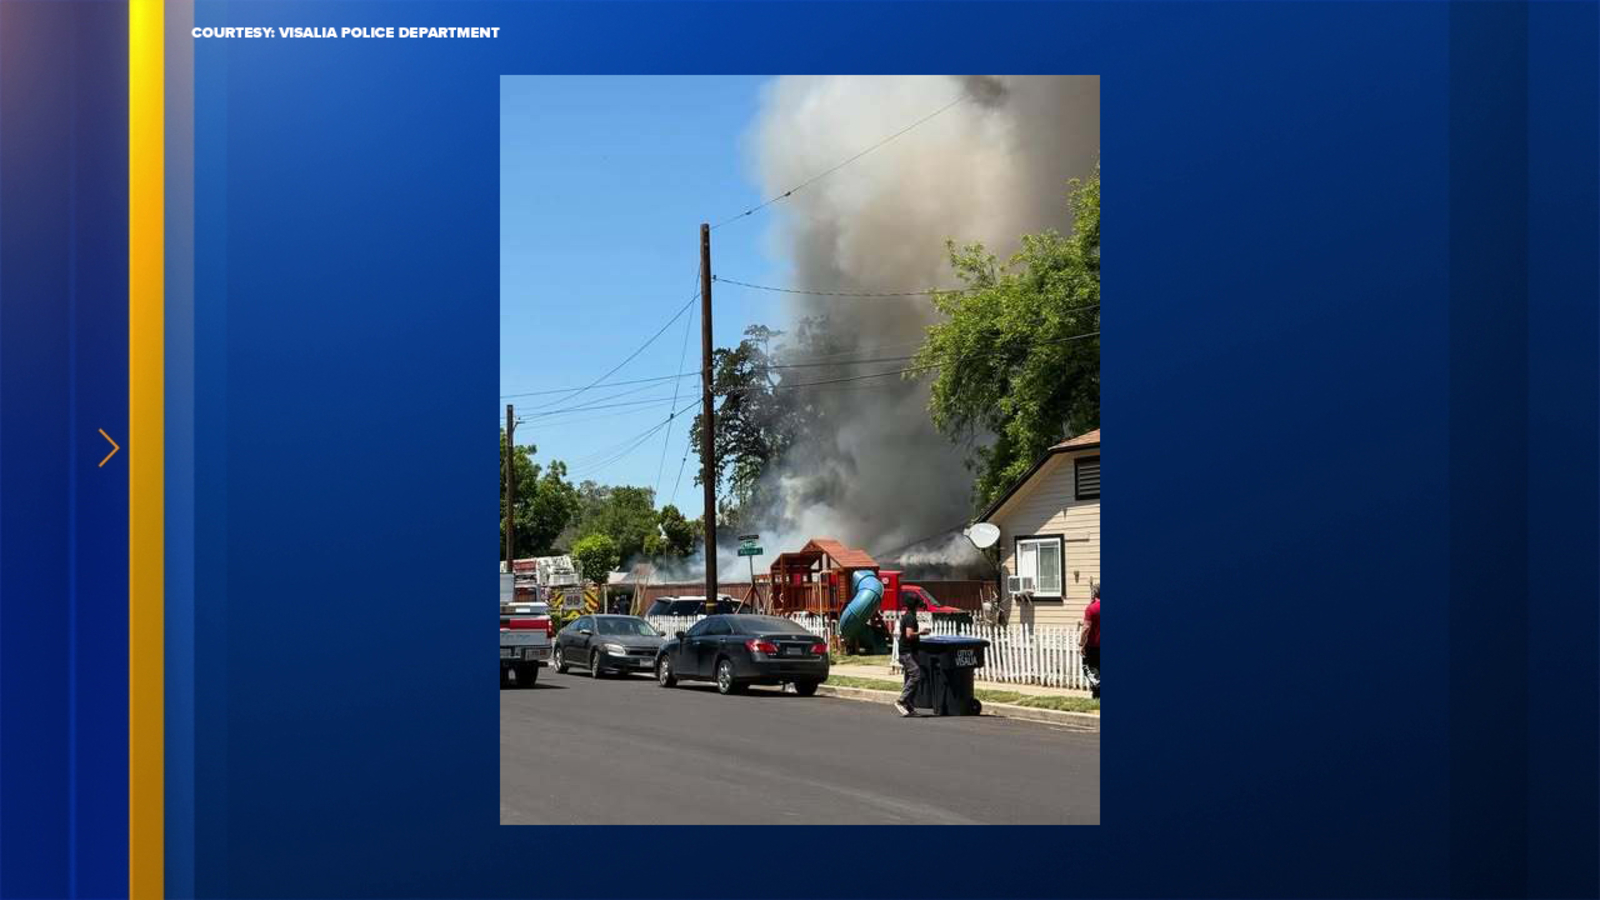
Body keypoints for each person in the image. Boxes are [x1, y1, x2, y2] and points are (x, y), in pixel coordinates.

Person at [895, 594, 929, 717]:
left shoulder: (908, 616)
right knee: (916, 675)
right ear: (914, 606)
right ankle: (901, 701)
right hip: (906, 652)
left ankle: (909, 707)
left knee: (911, 678)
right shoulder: (910, 618)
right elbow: (909, 635)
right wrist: (922, 632)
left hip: (909, 651)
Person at [1080, 582, 1101, 699]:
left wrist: (1081, 644)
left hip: (1094, 646)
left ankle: (1098, 690)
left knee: (1088, 667)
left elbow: (1086, 627)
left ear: (1095, 593)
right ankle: (1097, 696)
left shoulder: (1092, 608)